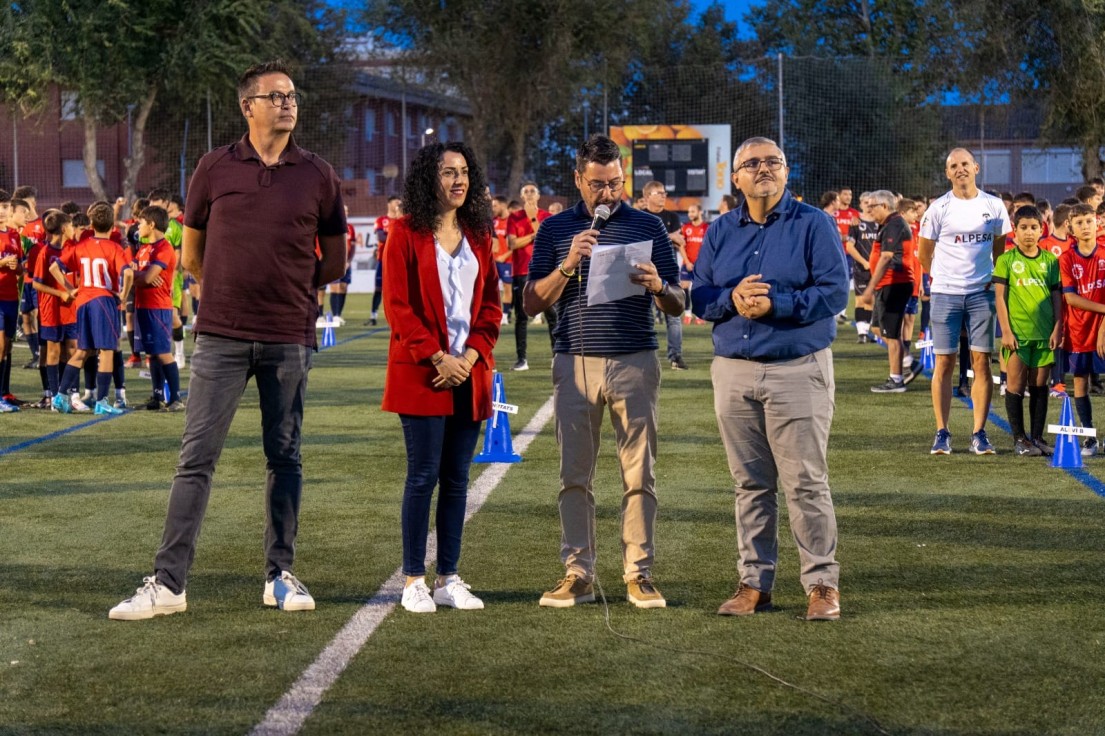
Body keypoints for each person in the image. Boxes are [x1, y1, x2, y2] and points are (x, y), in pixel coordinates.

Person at [109, 60, 347, 620]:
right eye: (276, 96)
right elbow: (191, 255)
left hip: (289, 335)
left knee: (284, 457)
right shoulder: (214, 168)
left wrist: (286, 283)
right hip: (220, 334)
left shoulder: (318, 174)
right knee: (196, 458)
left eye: (292, 95)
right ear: (248, 106)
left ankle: (280, 575)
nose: (288, 103)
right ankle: (168, 583)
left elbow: (333, 260)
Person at [692, 136, 848, 621]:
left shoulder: (814, 224)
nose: (763, 169)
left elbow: (835, 292)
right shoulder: (720, 231)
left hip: (796, 369)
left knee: (805, 482)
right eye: (752, 163)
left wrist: (777, 303)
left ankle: (821, 583)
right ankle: (754, 582)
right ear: (735, 177)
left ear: (786, 172)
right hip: (734, 371)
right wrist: (731, 300)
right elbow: (700, 295)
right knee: (750, 484)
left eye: (773, 162)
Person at [525, 134, 684, 610]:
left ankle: (639, 573)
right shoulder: (554, 231)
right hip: (573, 361)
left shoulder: (648, 225)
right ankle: (578, 572)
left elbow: (679, 301)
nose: (608, 194)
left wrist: (658, 285)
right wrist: (569, 264)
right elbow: (531, 301)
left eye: (615, 183)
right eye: (598, 185)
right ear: (579, 180)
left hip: (634, 359)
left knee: (639, 472)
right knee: (574, 473)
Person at [382, 142, 501, 614]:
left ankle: (448, 578)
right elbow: (398, 305)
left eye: (464, 172)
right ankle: (414, 578)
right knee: (422, 476)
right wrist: (437, 357)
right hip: (423, 375)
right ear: (427, 179)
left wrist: (470, 357)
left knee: (456, 480)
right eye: (448, 172)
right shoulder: (405, 232)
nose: (458, 180)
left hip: (468, 375)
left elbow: (491, 306)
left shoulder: (478, 234)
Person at [918, 148, 1012, 455]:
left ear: (976, 167)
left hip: (982, 294)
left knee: (981, 362)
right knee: (944, 362)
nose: (960, 169)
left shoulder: (994, 206)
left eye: (964, 164)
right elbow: (924, 253)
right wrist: (942, 280)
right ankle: (942, 432)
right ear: (947, 173)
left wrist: (995, 280)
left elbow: (999, 250)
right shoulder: (938, 208)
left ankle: (979, 433)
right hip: (946, 293)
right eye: (953, 166)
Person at [49, 202, 132, 416]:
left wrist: (70, 288)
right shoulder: (115, 248)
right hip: (103, 301)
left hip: (83, 302)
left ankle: (60, 395)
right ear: (113, 226)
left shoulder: (81, 246)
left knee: (83, 350)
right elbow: (129, 273)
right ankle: (102, 401)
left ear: (91, 224)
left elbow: (54, 267)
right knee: (106, 350)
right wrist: (122, 295)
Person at [993, 205, 1061, 456]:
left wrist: (1057, 327)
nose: (1029, 233)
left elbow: (1057, 298)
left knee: (1040, 386)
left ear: (1042, 229)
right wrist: (1006, 332)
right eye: (1024, 228)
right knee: (1016, 385)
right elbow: (1000, 298)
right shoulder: (1006, 260)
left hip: (1044, 335)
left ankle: (1038, 438)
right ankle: (1019, 439)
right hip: (1018, 335)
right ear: (1015, 229)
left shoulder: (1050, 261)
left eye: (1034, 227)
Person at [1058, 203, 1105, 456]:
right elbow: (1071, 299)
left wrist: (1103, 328)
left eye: (1089, 221)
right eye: (1079, 223)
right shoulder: (1066, 259)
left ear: (1097, 222)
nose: (1085, 226)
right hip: (1077, 331)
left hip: (1103, 332)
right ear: (1071, 228)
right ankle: (1089, 437)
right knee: (1080, 384)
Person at [130, 205, 184, 412]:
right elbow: (134, 274)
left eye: (141, 222)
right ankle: (157, 396)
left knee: (162, 352)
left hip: (158, 307)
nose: (138, 225)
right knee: (152, 353)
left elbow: (148, 277)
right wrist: (139, 277)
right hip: (143, 306)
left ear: (151, 225)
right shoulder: (144, 248)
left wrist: (139, 277)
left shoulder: (164, 248)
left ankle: (176, 398)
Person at [863, 190, 917, 393]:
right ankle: (908, 362)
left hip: (895, 283)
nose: (869, 210)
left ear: (884, 206)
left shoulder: (894, 223)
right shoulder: (887, 224)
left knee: (892, 334)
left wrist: (869, 288)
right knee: (877, 328)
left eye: (872, 206)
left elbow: (886, 257)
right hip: (887, 284)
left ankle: (896, 380)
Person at [642, 180, 688, 369]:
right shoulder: (641, 216)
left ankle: (675, 357)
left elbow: (680, 242)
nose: (663, 195)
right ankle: (645, 356)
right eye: (659, 192)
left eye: (664, 192)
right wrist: (668, 237)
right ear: (647, 197)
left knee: (674, 316)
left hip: (667, 271)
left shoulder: (672, 216)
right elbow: (643, 240)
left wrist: (661, 238)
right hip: (644, 271)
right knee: (645, 315)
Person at [506, 181, 551, 371]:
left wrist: (533, 222)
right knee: (521, 316)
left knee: (553, 315)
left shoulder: (547, 217)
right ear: (522, 196)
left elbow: (547, 241)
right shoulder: (514, 217)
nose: (530, 194)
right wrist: (533, 236)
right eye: (526, 191)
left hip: (545, 271)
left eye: (533, 191)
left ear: (539, 196)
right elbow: (512, 244)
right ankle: (521, 359)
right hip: (521, 272)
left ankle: (557, 356)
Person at [368, 196, 401, 326]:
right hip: (383, 259)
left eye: (399, 202)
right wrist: (397, 236)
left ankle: (397, 318)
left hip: (399, 261)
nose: (398, 204)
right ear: (389, 204)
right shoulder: (382, 220)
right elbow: (380, 236)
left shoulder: (402, 220)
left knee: (398, 290)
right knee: (378, 288)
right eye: (396, 202)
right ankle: (373, 316)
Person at [680, 201, 708, 323]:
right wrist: (687, 262)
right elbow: (681, 246)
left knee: (700, 290)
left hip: (701, 265)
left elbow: (708, 248)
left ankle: (700, 315)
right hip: (687, 264)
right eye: (689, 212)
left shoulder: (706, 228)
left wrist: (700, 263)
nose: (690, 214)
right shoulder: (686, 228)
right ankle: (687, 314)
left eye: (692, 211)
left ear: (700, 212)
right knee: (685, 288)